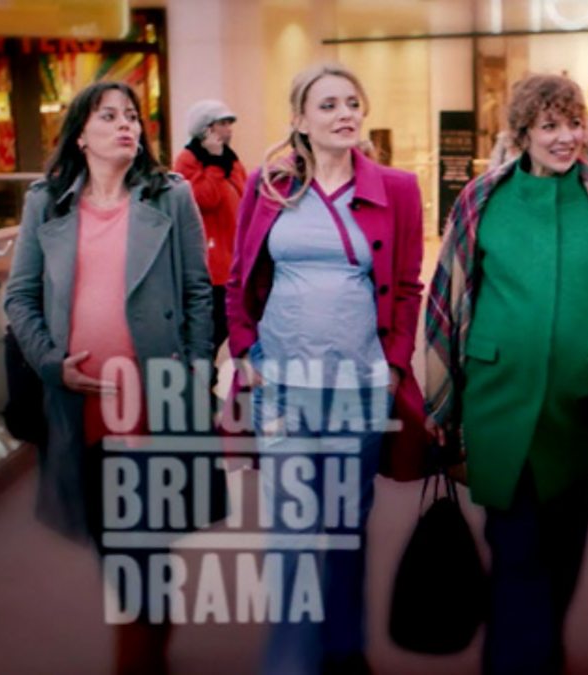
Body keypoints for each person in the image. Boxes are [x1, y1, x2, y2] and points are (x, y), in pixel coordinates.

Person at [424, 73, 588, 675]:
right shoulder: (483, 198)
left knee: (563, 556)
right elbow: (449, 295)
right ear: (522, 133)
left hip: (573, 410)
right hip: (498, 401)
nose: (565, 137)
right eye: (549, 126)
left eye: (573, 123)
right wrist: (442, 402)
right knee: (516, 555)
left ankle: (536, 655)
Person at [4, 80, 214, 675]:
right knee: (111, 535)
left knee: (139, 537)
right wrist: (52, 363)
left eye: (132, 116)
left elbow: (199, 293)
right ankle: (151, 623)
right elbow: (20, 297)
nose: (127, 125)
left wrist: (193, 371)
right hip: (80, 405)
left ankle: (139, 654)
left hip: (155, 397)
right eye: (109, 116)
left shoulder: (170, 196)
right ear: (80, 134)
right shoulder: (47, 202)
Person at [226, 62, 426, 675]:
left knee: (344, 529)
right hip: (280, 387)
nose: (345, 115)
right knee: (289, 532)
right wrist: (245, 352)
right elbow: (239, 275)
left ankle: (344, 649)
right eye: (329, 105)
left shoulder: (397, 188)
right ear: (299, 120)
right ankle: (290, 659)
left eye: (352, 103)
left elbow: (407, 287)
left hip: (357, 390)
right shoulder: (270, 184)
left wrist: (394, 368)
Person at [174, 98, 246, 351]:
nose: (229, 129)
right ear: (206, 129)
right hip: (211, 265)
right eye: (223, 123)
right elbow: (204, 199)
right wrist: (214, 164)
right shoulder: (187, 160)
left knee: (229, 324)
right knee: (212, 330)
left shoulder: (231, 160)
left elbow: (244, 194)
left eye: (229, 123)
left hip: (234, 258)